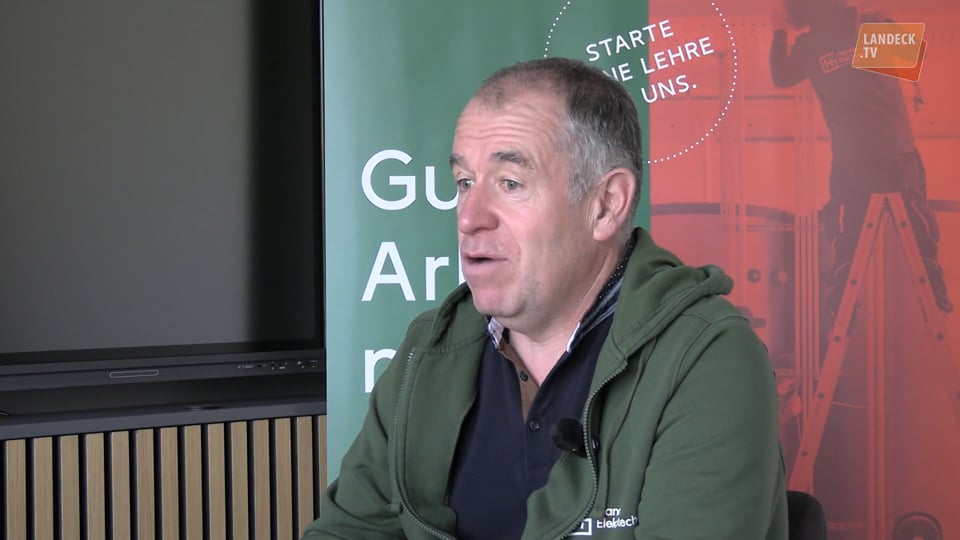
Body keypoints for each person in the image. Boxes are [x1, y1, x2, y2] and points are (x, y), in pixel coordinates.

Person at [302, 57, 787, 539]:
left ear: (606, 205)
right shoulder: (428, 351)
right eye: (464, 183)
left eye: (510, 184)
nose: (469, 216)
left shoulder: (706, 357)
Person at [769, 0, 952, 340]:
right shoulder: (867, 29)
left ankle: (842, 306)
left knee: (848, 235)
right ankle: (935, 296)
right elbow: (912, 58)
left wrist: (779, 31)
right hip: (897, 152)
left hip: (853, 161)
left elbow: (781, 77)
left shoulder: (810, 46)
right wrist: (889, 22)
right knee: (920, 227)